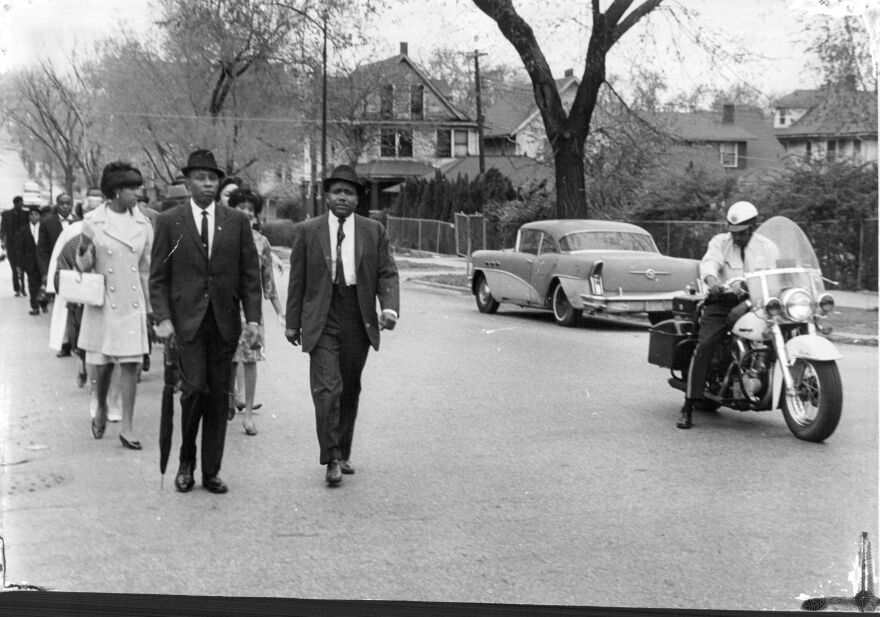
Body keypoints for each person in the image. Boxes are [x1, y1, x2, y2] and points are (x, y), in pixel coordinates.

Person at [150, 149, 262, 495]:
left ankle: (211, 470)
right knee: (194, 390)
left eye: (213, 178)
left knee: (218, 396)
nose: (208, 183)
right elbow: (158, 277)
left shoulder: (236, 222)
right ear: (188, 182)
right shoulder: (171, 222)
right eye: (201, 178)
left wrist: (254, 320)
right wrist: (164, 318)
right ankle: (186, 462)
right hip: (187, 324)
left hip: (225, 322)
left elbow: (249, 276)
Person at [285, 165, 400, 486]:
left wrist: (389, 308)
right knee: (327, 389)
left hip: (356, 316)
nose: (342, 198)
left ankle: (344, 450)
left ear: (357, 198)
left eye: (349, 193)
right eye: (337, 192)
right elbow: (297, 280)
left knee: (349, 387)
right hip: (321, 318)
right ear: (326, 196)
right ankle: (332, 457)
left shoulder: (373, 231)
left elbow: (387, 273)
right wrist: (292, 323)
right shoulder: (309, 231)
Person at [677, 201, 780, 429]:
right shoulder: (720, 242)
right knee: (705, 346)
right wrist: (712, 281)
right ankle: (688, 405)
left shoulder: (768, 247)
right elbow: (709, 263)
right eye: (734, 232)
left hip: (758, 302)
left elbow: (778, 273)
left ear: (754, 227)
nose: (737, 237)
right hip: (723, 302)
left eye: (742, 233)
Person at [77, 162, 154, 449]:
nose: (137, 192)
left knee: (131, 364)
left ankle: (128, 427)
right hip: (104, 302)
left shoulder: (143, 225)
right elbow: (83, 266)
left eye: (138, 187)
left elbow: (147, 270)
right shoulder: (93, 221)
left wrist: (150, 311)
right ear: (116, 191)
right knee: (104, 365)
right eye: (132, 188)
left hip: (132, 302)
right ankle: (100, 407)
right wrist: (84, 251)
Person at [227, 188, 284, 436]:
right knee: (227, 358)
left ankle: (248, 413)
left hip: (250, 311)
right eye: (242, 207)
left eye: (251, 209)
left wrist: (280, 312)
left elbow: (267, 281)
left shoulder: (261, 242)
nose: (247, 213)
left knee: (250, 360)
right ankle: (229, 399)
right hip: (225, 307)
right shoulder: (221, 237)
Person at [50, 188, 103, 387]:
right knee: (81, 336)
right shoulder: (73, 238)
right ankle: (82, 361)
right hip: (80, 301)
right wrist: (65, 288)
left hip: (106, 299)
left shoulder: (110, 238)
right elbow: (60, 269)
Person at [20, 204, 47, 314]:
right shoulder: (24, 229)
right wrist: (21, 264)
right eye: (31, 215)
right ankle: (35, 307)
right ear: (29, 217)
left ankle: (44, 304)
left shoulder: (44, 228)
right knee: (32, 285)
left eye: (36, 214)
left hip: (43, 262)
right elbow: (21, 248)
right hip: (30, 263)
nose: (34, 217)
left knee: (44, 284)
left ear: (40, 216)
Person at [1, 196, 29, 297]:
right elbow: (3, 229)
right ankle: (17, 289)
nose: (21, 205)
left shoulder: (26, 214)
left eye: (22, 203)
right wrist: (3, 242)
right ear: (15, 203)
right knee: (14, 268)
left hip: (23, 244)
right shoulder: (6, 215)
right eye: (20, 203)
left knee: (22, 265)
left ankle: (22, 288)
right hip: (11, 245)